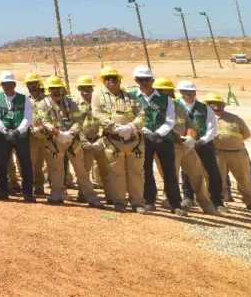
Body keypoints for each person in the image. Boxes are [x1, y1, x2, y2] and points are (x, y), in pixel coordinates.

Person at [37, 76, 103, 208]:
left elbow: (78, 120)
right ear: (49, 90)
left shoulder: (71, 103)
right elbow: (45, 122)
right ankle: (56, 194)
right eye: (53, 88)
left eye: (58, 88)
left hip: (73, 141)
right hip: (55, 141)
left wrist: (70, 133)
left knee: (81, 170)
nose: (56, 91)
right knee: (57, 169)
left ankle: (91, 196)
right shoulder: (43, 104)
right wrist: (58, 133)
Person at [130, 66, 184, 216]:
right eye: (141, 79)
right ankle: (149, 200)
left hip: (164, 139)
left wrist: (159, 133)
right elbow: (132, 118)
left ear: (152, 80)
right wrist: (146, 132)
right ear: (136, 80)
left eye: (147, 79)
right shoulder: (131, 97)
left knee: (169, 171)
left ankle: (175, 203)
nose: (144, 82)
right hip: (142, 139)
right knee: (145, 170)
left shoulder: (166, 98)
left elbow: (170, 119)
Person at [92, 67, 146, 213]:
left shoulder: (131, 98)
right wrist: (114, 126)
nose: (111, 80)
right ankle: (119, 202)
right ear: (103, 81)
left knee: (136, 172)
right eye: (107, 78)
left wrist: (132, 127)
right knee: (116, 173)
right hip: (112, 141)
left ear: (119, 79)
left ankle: (137, 202)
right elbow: (97, 114)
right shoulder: (98, 97)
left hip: (133, 140)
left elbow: (141, 114)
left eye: (114, 78)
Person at [205, 93, 251, 212]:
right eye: (213, 103)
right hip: (217, 153)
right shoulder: (205, 118)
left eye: (219, 103)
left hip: (238, 153)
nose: (217, 105)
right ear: (207, 105)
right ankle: (219, 202)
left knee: (244, 178)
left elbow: (246, 134)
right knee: (219, 179)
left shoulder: (234, 118)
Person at [175, 80, 222, 213]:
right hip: (182, 144)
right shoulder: (175, 106)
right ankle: (188, 197)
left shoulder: (204, 107)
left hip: (203, 143)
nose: (189, 94)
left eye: (191, 91)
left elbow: (212, 125)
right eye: (185, 92)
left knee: (213, 171)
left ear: (195, 92)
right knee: (187, 172)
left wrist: (204, 140)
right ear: (180, 92)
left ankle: (217, 200)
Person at [0, 71, 34, 202]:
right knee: (1, 164)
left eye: (9, 84)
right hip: (3, 137)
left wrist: (17, 131)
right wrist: (5, 131)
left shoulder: (24, 99)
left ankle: (28, 193)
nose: (6, 86)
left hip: (21, 137)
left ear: (14, 84)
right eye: (4, 84)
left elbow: (27, 117)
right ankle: (2, 191)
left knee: (26, 164)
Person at [74, 76, 117, 205]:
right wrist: (84, 141)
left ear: (92, 88)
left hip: (100, 141)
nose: (86, 90)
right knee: (84, 169)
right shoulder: (75, 104)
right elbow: (75, 123)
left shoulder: (99, 102)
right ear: (79, 89)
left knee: (106, 170)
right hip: (84, 142)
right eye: (83, 88)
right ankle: (82, 193)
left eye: (88, 87)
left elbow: (106, 121)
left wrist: (100, 139)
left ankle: (110, 195)